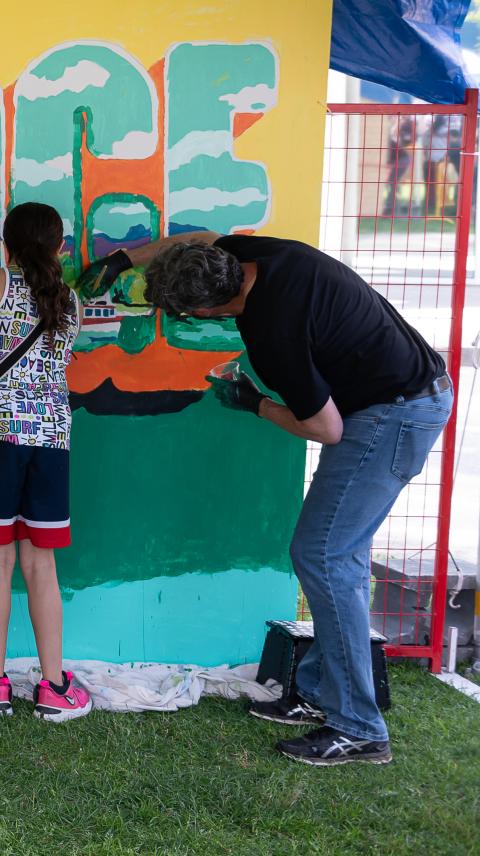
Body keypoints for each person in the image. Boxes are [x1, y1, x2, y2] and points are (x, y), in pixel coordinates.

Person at [79, 230, 451, 765]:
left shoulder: (271, 329)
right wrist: (122, 260)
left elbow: (326, 429)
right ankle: (323, 693)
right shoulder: (262, 256)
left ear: (208, 310)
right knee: (337, 557)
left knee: (324, 555)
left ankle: (360, 729)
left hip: (392, 415)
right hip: (403, 396)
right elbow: (199, 237)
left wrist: (253, 403)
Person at [0, 203, 91, 722]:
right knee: (41, 564)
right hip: (52, 440)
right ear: (59, 246)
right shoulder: (70, 301)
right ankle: (54, 687)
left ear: (5, 243)